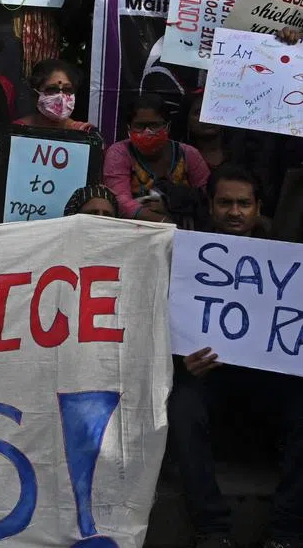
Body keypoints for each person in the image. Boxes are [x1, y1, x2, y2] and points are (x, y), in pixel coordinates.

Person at [169, 164, 303, 548]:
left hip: (272, 381)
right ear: (210, 206)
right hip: (210, 377)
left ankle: (287, 532)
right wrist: (183, 364)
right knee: (182, 406)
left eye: (244, 203)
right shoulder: (188, 257)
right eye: (225, 202)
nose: (234, 212)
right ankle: (212, 529)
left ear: (258, 208)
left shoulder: (286, 259)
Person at [103, 93, 209, 225]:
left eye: (154, 125)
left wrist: (172, 208)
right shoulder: (119, 152)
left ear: (168, 126)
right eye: (139, 126)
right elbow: (119, 201)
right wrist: (165, 222)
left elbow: (208, 199)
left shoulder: (189, 155)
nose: (147, 132)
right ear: (129, 128)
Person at [14, 59, 103, 178]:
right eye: (52, 89)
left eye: (67, 90)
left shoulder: (87, 134)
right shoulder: (17, 131)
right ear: (35, 95)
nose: (61, 97)